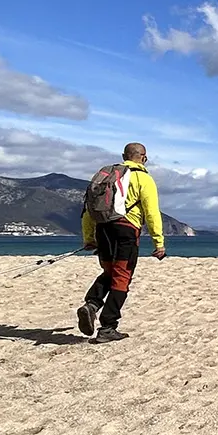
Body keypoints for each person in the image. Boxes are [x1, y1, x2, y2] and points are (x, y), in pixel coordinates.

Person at [77, 143, 167, 343]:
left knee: (110, 272)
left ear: (123, 156)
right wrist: (158, 243)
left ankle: (91, 305)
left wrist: (89, 238)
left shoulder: (105, 176)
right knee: (122, 277)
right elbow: (152, 212)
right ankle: (108, 326)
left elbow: (89, 210)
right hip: (126, 230)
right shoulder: (143, 178)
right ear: (143, 157)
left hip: (103, 229)